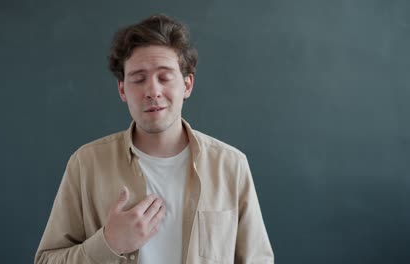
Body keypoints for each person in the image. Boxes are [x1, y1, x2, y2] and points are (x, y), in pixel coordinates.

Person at [35, 14, 274, 264]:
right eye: (138, 79)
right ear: (122, 90)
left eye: (164, 77)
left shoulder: (231, 165)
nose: (152, 91)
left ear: (187, 84)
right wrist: (108, 243)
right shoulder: (86, 164)